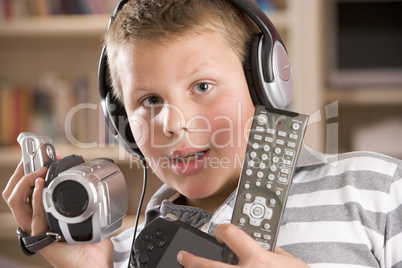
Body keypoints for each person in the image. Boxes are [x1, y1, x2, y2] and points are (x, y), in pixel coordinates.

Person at [3, 0, 402, 267]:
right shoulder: (120, 255)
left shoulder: (379, 191)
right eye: (150, 100)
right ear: (120, 120)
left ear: (264, 86)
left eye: (203, 87)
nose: (174, 123)